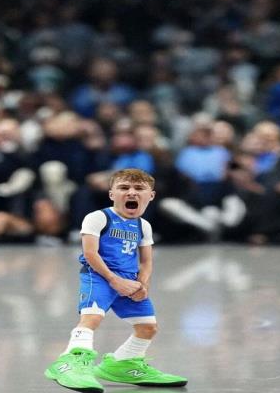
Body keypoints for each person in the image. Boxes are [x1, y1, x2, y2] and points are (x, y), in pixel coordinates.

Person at [45, 168, 187, 392]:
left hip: (129, 280)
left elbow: (146, 261)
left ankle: (122, 364)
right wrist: (113, 280)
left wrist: (143, 284)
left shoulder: (143, 225)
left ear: (151, 195)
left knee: (148, 327)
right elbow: (90, 254)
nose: (131, 192)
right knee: (91, 318)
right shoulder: (98, 218)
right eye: (124, 188)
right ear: (112, 194)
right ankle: (69, 363)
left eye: (139, 188)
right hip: (99, 276)